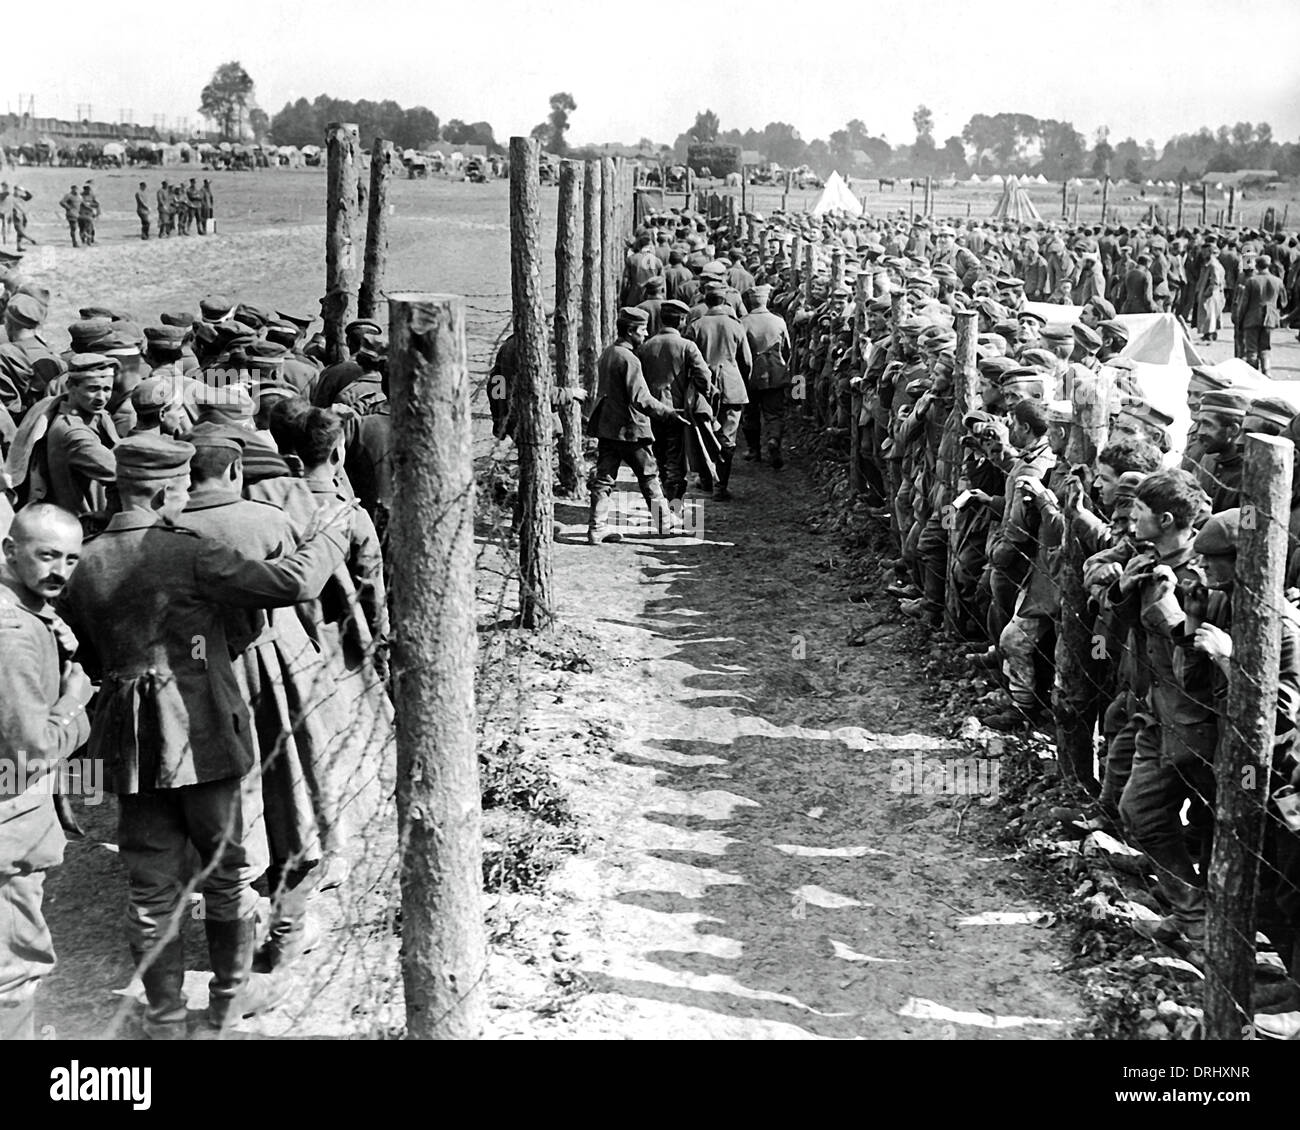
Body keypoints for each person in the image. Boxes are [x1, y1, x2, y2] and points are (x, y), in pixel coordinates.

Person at [58, 433, 356, 1038]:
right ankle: (227, 1001)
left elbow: (84, 653)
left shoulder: (83, 559)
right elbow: (290, 585)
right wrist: (331, 530)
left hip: (129, 741)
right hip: (203, 732)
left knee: (149, 881)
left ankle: (165, 1017)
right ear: (171, 487)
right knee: (226, 872)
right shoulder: (187, 552)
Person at [0, 505, 95, 1039]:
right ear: (11, 551)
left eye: (71, 559)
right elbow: (30, 751)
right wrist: (74, 706)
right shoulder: (12, 632)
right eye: (47, 556)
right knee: (13, 965)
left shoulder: (22, 608)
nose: (60, 570)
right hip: (9, 824)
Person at [585, 307, 690, 543]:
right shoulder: (630, 359)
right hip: (631, 428)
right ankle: (664, 523)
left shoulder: (609, 352)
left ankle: (596, 527)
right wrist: (668, 413)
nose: (644, 335)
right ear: (631, 331)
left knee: (604, 478)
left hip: (608, 427)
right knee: (649, 474)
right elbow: (641, 398)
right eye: (642, 330)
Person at [740, 284, 792, 468]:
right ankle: (773, 441)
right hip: (776, 372)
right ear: (766, 300)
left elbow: (741, 352)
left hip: (752, 374)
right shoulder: (779, 321)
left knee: (750, 413)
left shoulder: (743, 322)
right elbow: (787, 350)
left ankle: (754, 451)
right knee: (774, 414)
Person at [1236, 254, 1284, 373]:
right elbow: (1284, 302)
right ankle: (1267, 371)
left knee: (1251, 349)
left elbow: (1244, 304)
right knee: (1265, 347)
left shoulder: (1251, 281)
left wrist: (1239, 319)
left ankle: (1253, 374)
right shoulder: (1278, 281)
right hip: (1270, 318)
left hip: (1251, 318)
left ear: (1256, 266)